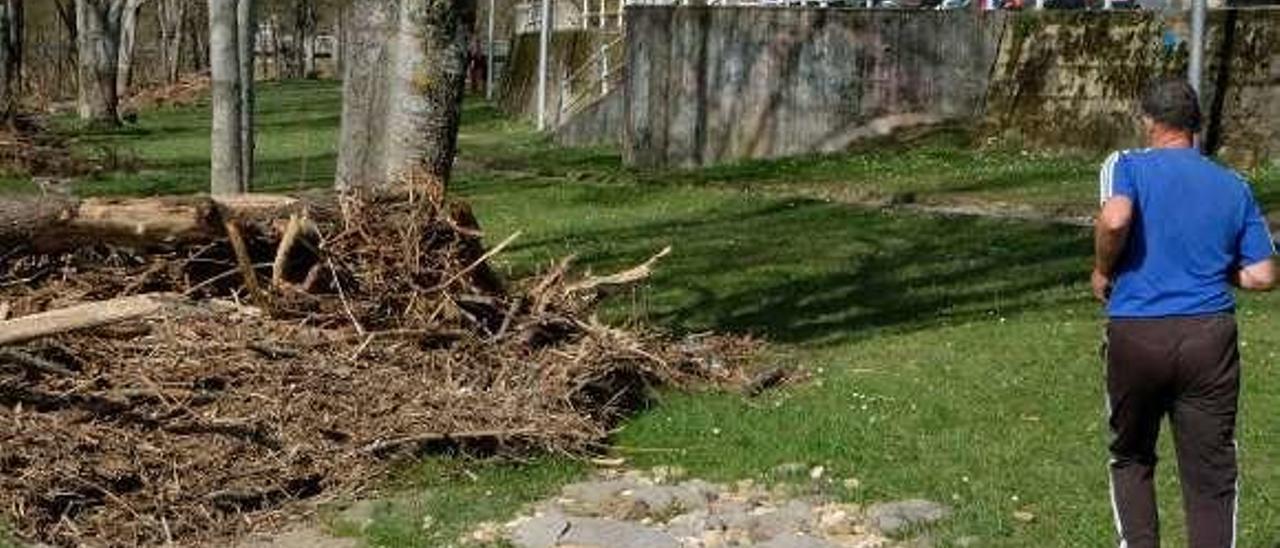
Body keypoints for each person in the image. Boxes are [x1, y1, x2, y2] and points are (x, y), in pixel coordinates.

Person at [1094, 77, 1276, 548]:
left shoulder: (1126, 165)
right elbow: (1261, 276)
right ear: (1196, 125)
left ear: (1149, 122)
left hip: (1137, 333)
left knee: (1132, 456)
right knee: (1212, 474)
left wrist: (1101, 269)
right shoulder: (1233, 184)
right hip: (1208, 339)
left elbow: (1115, 219)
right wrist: (1217, 270)